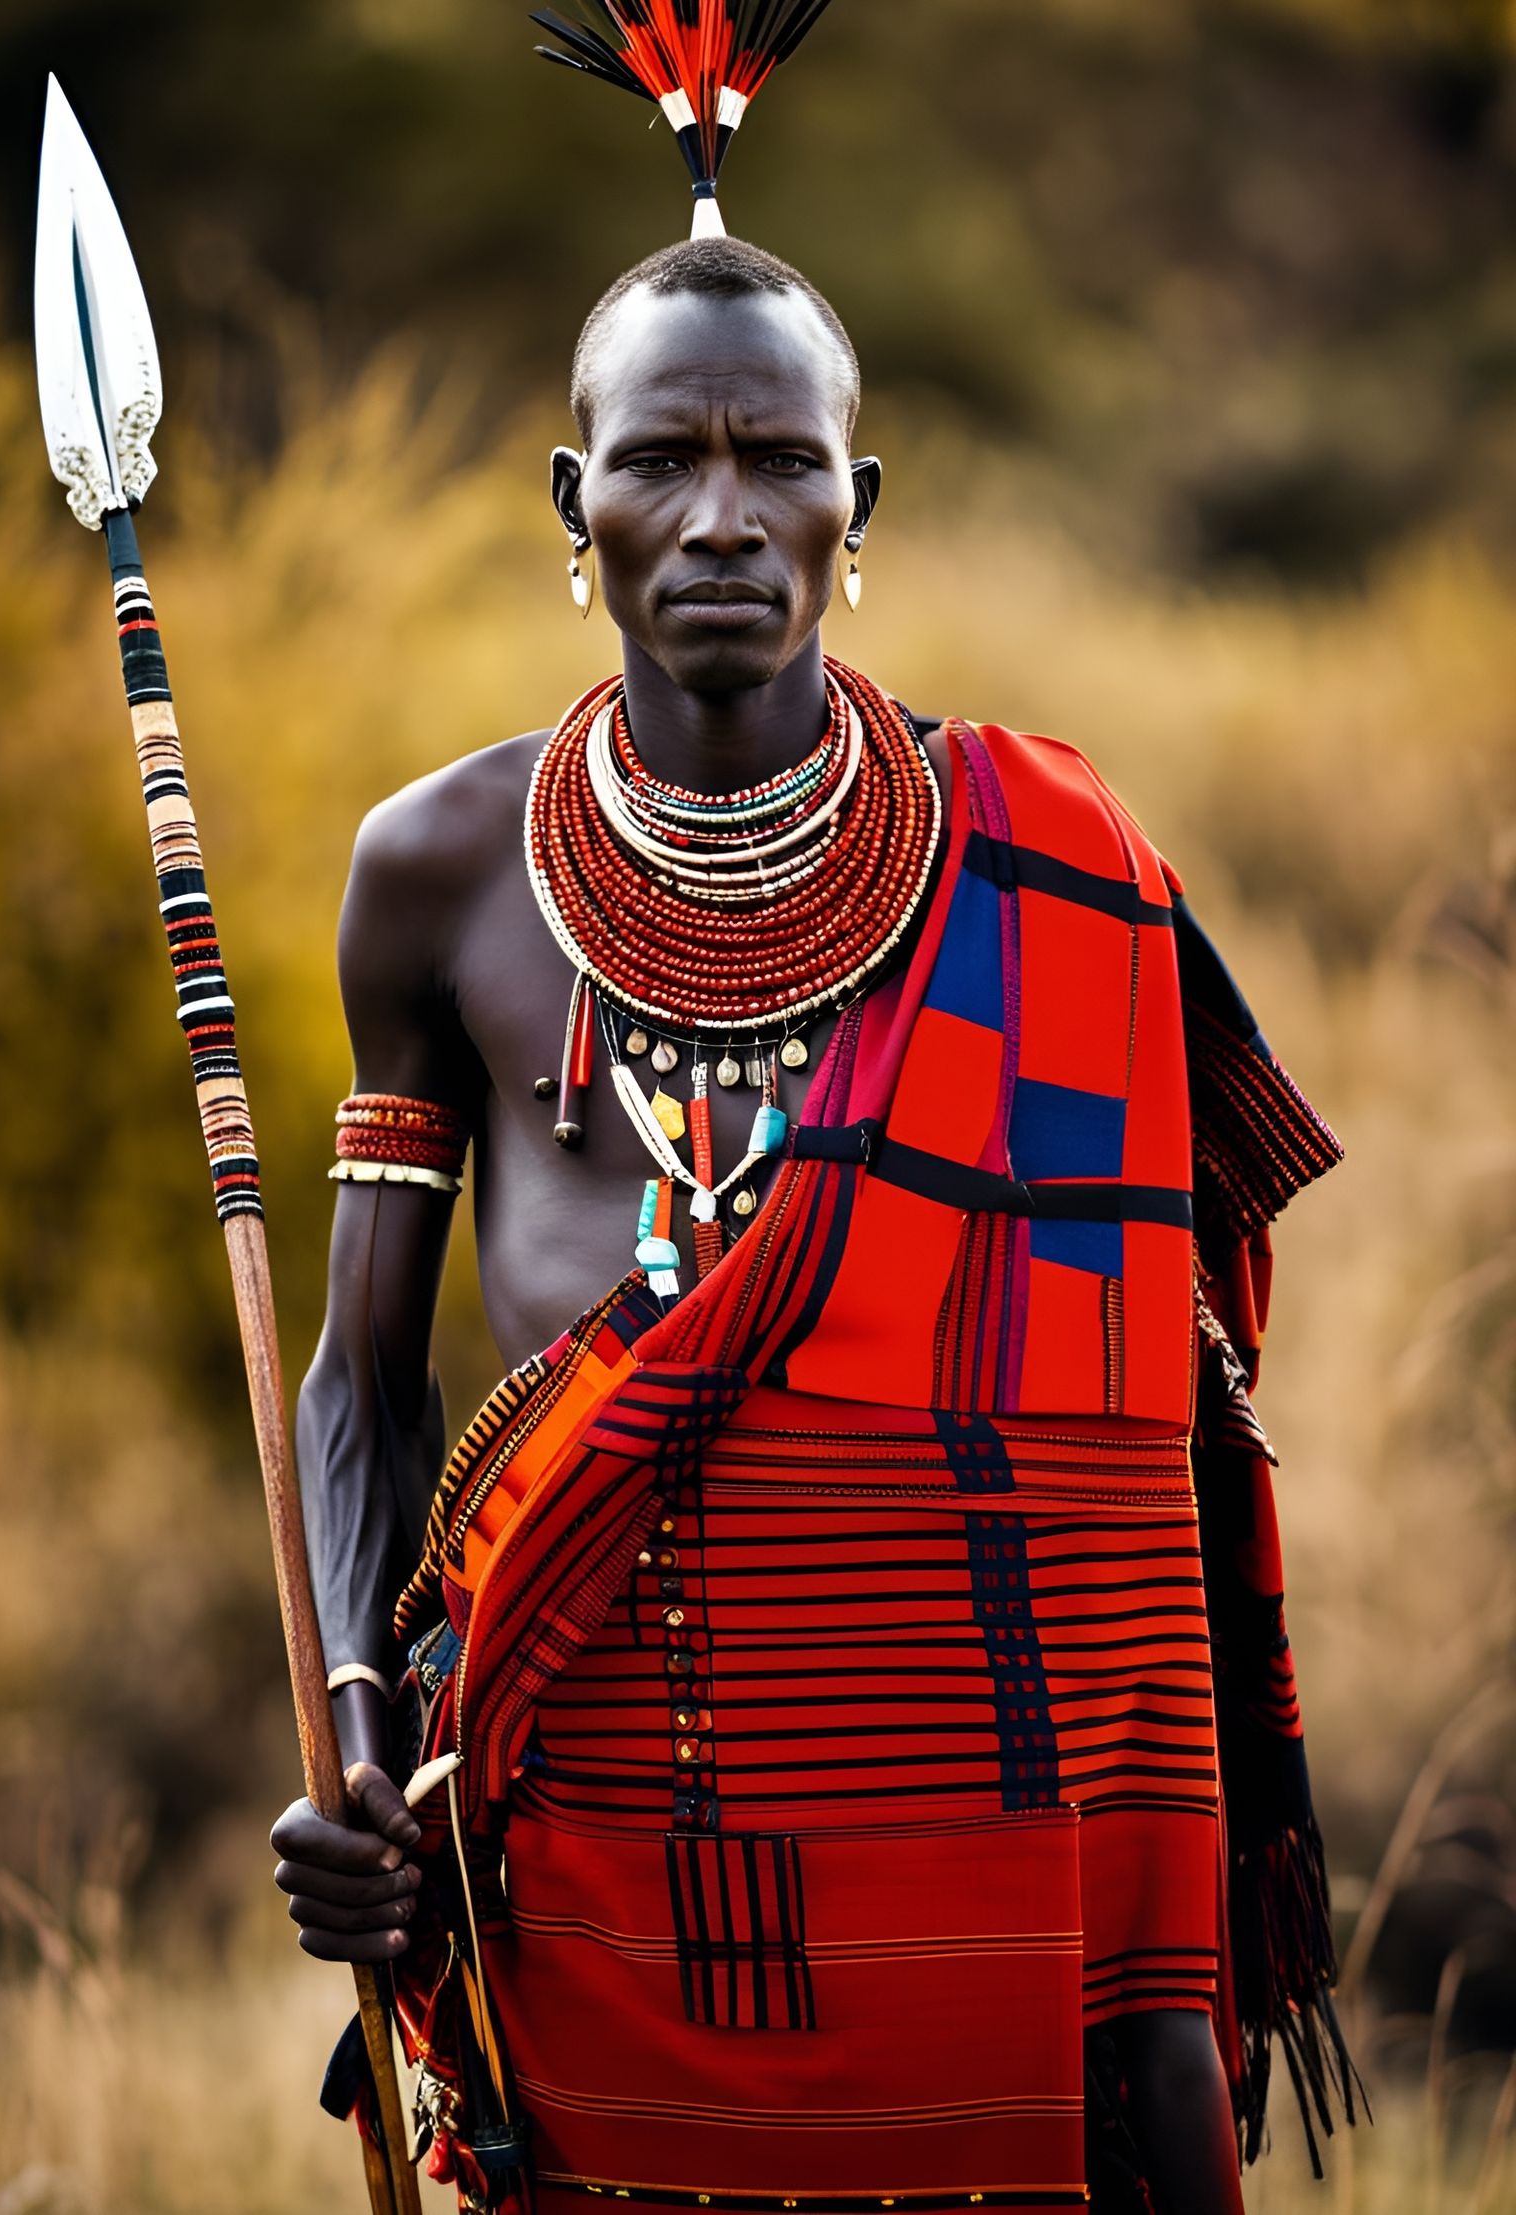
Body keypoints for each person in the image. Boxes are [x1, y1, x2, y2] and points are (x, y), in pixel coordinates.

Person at [269, 231, 1356, 2215]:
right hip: (596, 1862)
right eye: (653, 460)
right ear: (565, 500)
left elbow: (1118, 1501)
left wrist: (1151, 1990)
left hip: (997, 1871)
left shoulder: (1045, 885)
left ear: (858, 505)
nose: (716, 518)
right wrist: (358, 1735)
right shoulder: (436, 877)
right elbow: (359, 1379)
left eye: (777, 461)